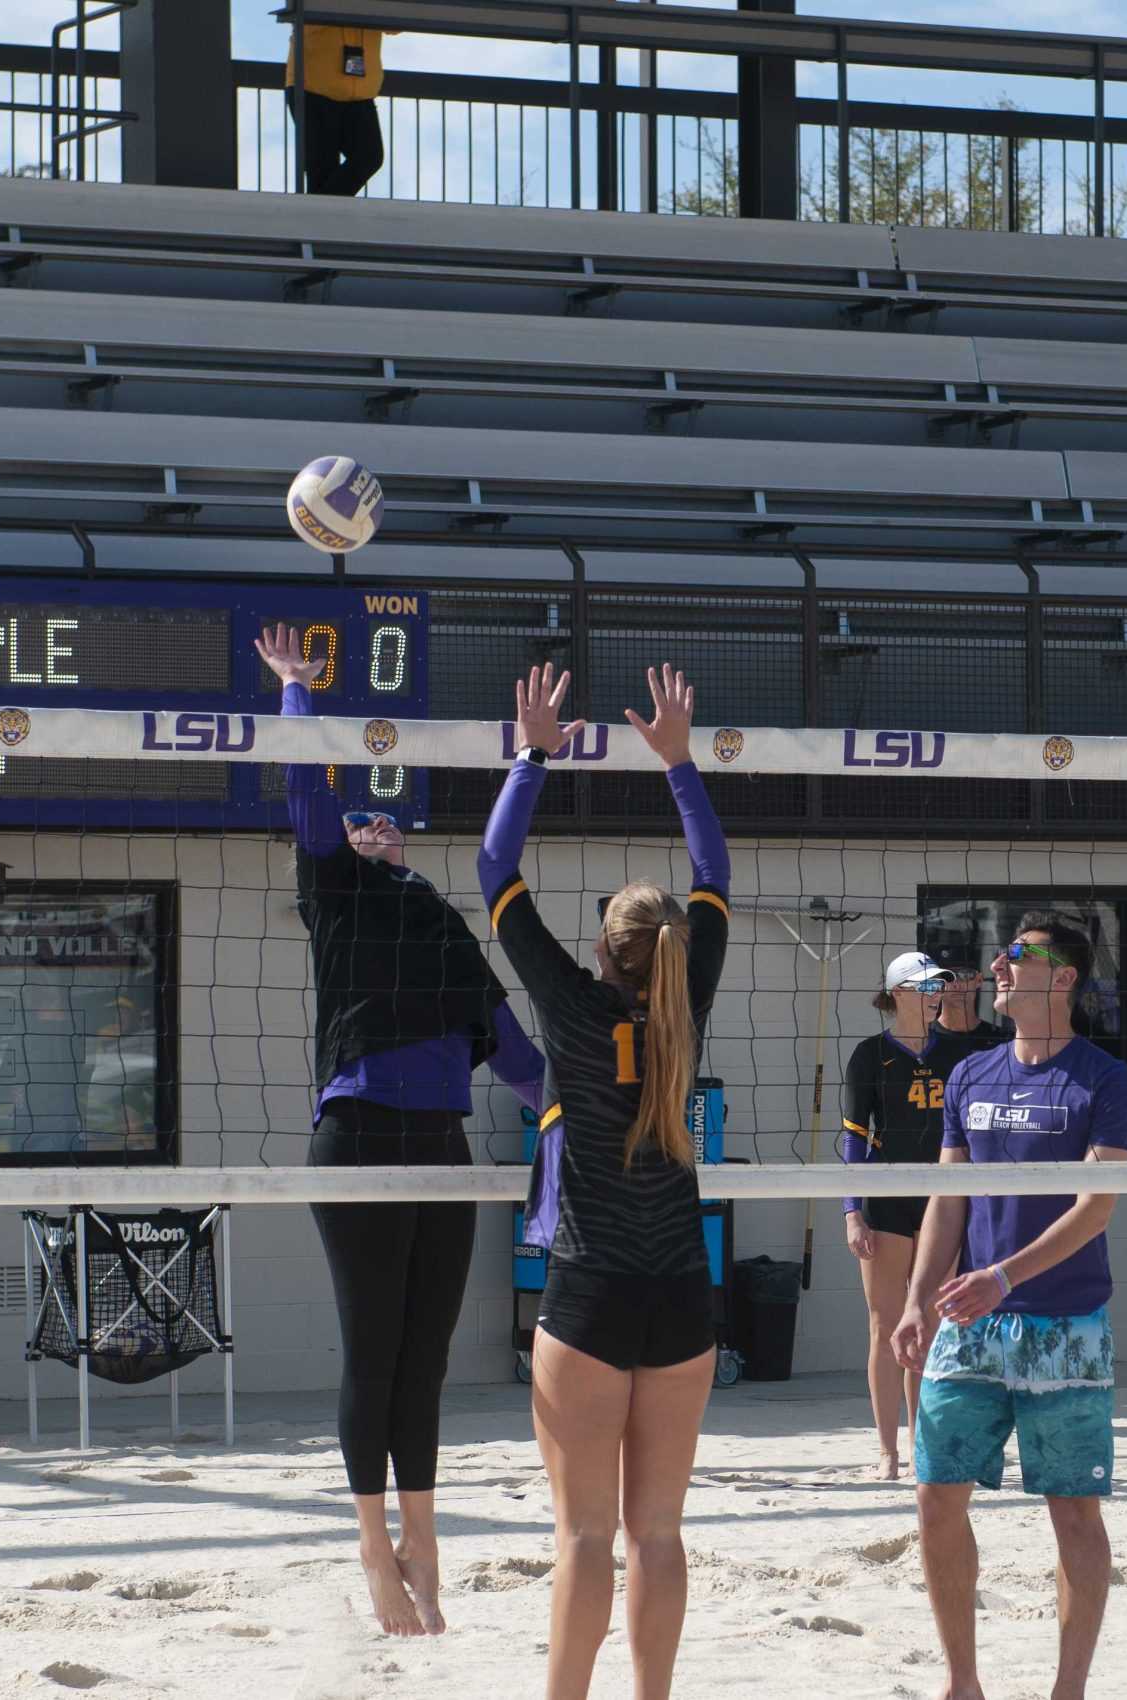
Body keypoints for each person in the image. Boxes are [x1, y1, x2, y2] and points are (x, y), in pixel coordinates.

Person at [257, 624, 546, 1639]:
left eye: (388, 820)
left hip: (440, 1148)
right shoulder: (336, 893)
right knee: (372, 1349)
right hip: (358, 1134)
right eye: (359, 819)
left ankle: (424, 1541)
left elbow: (519, 1057)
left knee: (425, 1356)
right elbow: (307, 795)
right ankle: (373, 1547)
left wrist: (591, 1103)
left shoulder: (445, 930)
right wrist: (296, 692)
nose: (373, 827)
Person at [479, 661, 729, 1700]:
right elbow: (714, 868)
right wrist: (677, 759)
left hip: (586, 1290)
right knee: (658, 1533)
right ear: (669, 951)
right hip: (681, 1288)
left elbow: (495, 868)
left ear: (603, 948)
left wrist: (533, 751)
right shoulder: (689, 997)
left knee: (583, 1533)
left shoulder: (573, 1007)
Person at [891, 915, 1127, 1700]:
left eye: (1019, 954)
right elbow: (948, 1200)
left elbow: (1097, 1205)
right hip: (972, 1323)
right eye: (1001, 953)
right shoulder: (971, 1076)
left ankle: (1067, 1689)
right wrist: (915, 1300)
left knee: (1073, 1514)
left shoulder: (1106, 1080)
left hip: (1065, 1328)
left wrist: (1002, 1276)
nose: (997, 964)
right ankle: (962, 1682)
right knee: (935, 1500)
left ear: (1062, 978)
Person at [840, 950, 1006, 1482]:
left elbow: (1013, 1047)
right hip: (887, 1199)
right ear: (898, 993)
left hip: (943, 1199)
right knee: (884, 1326)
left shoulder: (961, 1050)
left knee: (932, 1326)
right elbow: (853, 1138)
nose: (936, 994)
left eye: (939, 986)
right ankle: (886, 1450)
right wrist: (851, 1213)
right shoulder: (870, 1055)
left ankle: (923, 1442)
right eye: (926, 986)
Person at [287, 20, 393, 196]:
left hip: (359, 93)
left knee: (369, 156)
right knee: (322, 168)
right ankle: (324, 216)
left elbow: (395, 23)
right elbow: (305, 16)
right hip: (313, 87)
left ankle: (321, 215)